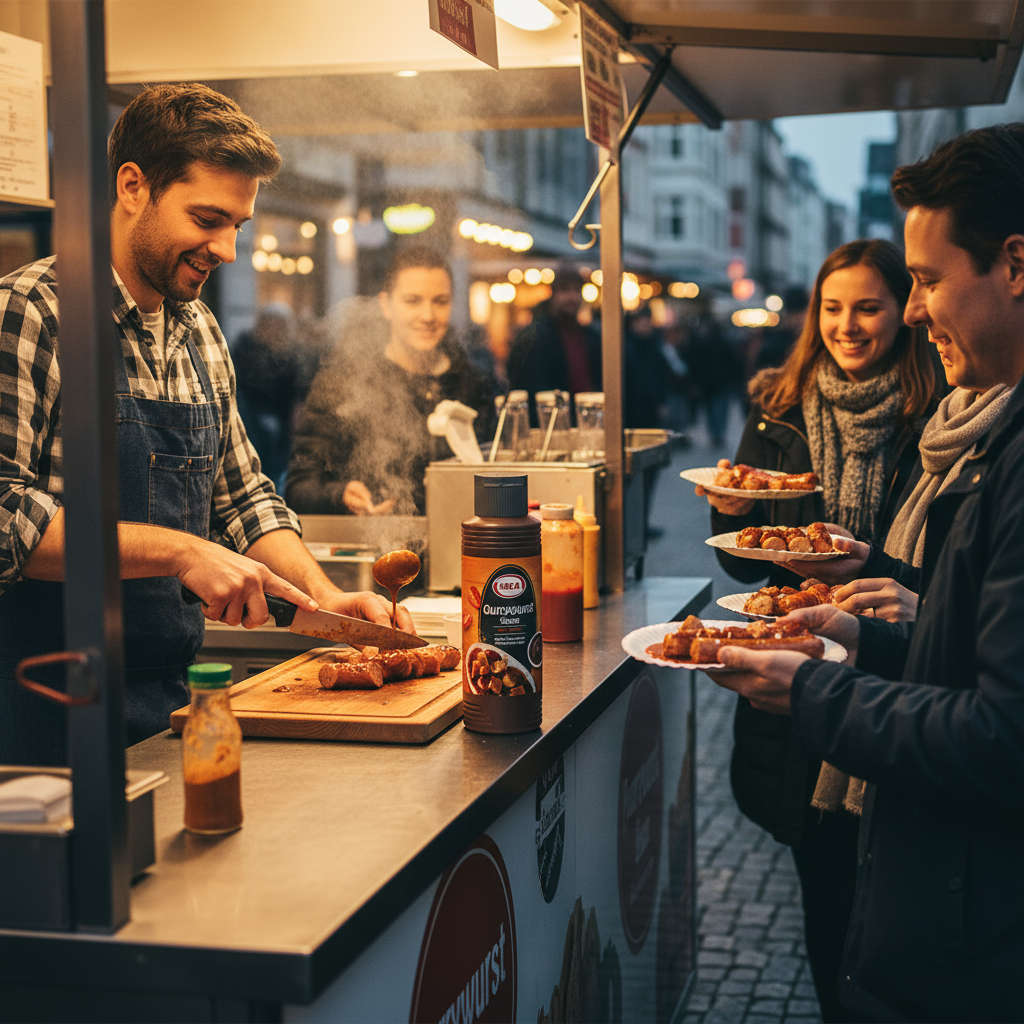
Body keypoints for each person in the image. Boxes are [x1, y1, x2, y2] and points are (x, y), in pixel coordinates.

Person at [708, 123, 1024, 1023]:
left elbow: (1002, 732)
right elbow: (976, 645)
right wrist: (868, 632)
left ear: (1015, 263)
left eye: (922, 283)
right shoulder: (990, 435)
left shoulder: (983, 437)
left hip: (974, 914)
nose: (916, 315)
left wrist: (815, 690)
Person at [0, 83, 411, 768]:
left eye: (239, 227)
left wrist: (325, 597)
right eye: (208, 218)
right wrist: (180, 550)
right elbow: (4, 515)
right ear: (133, 186)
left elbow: (245, 498)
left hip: (170, 702)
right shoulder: (32, 314)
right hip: (41, 708)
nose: (227, 248)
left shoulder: (199, 331)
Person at [696, 238, 939, 1023]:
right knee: (825, 892)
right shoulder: (777, 407)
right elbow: (744, 569)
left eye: (868, 306)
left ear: (903, 309)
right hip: (798, 670)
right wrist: (728, 513)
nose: (848, 325)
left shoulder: (935, 408)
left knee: (901, 902)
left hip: (900, 675)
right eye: (832, 308)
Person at [285, 246, 495, 517]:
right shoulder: (344, 383)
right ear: (386, 304)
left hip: (461, 541)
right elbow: (298, 486)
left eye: (440, 301)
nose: (428, 315)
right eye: (412, 300)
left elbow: (495, 470)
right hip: (374, 545)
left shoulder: (473, 384)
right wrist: (340, 494)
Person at [233, 303, 314, 489]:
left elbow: (299, 384)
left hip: (283, 424)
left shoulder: (292, 352)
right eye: (270, 324)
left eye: (279, 325)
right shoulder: (245, 350)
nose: (274, 330)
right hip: (251, 420)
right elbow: (246, 386)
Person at [506, 271, 601, 425]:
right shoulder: (534, 336)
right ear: (553, 294)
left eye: (576, 290)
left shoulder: (590, 336)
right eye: (565, 290)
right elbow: (524, 386)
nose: (572, 297)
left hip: (588, 423)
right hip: (549, 426)